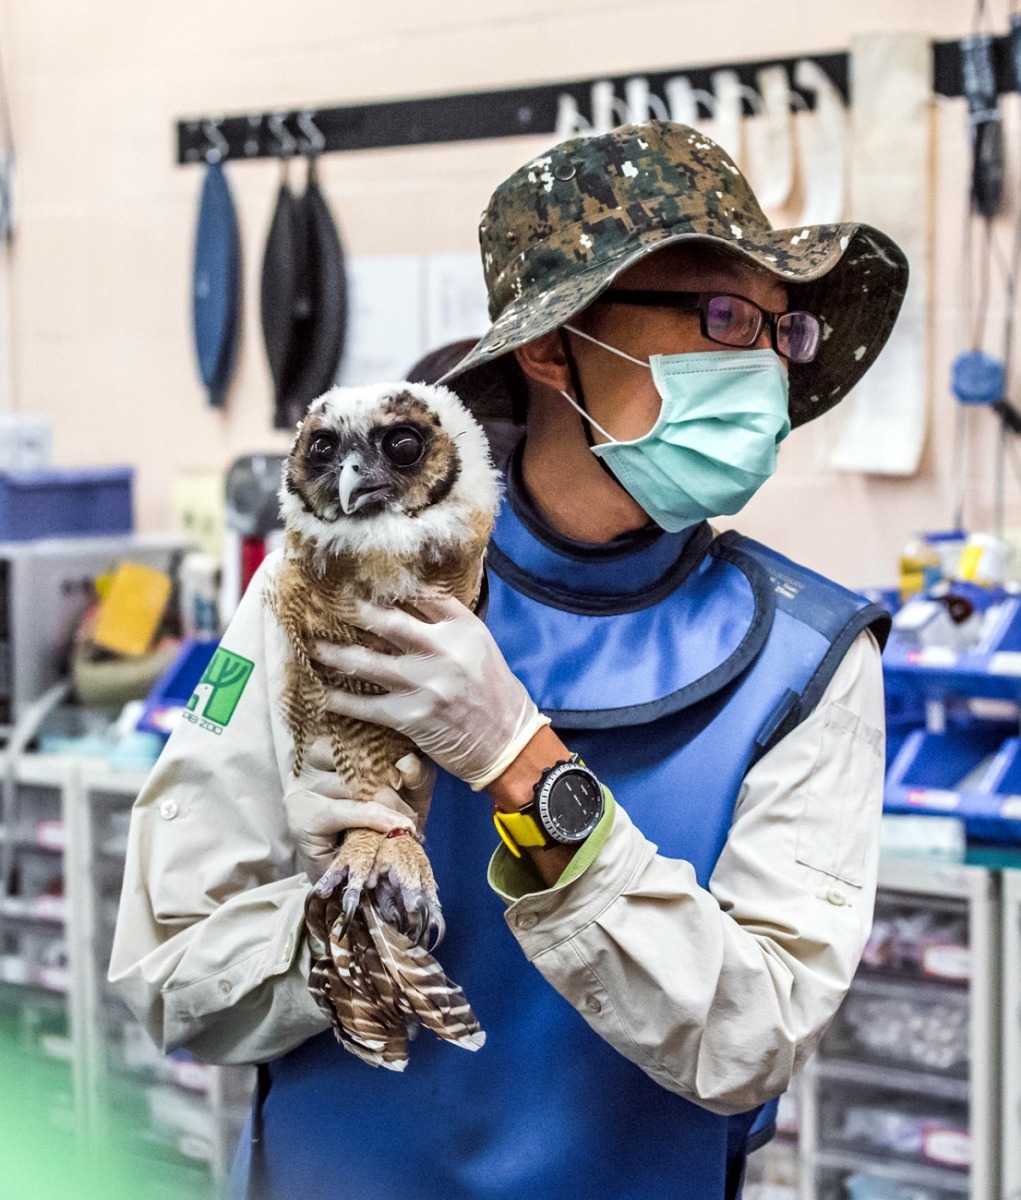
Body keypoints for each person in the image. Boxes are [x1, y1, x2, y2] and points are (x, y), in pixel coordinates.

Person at [110, 120, 907, 1200]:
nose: (763, 367)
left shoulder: (805, 662)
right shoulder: (315, 597)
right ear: (552, 344)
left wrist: (522, 766)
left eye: (781, 329)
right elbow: (171, 977)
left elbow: (752, 1038)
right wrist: (348, 927)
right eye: (721, 317)